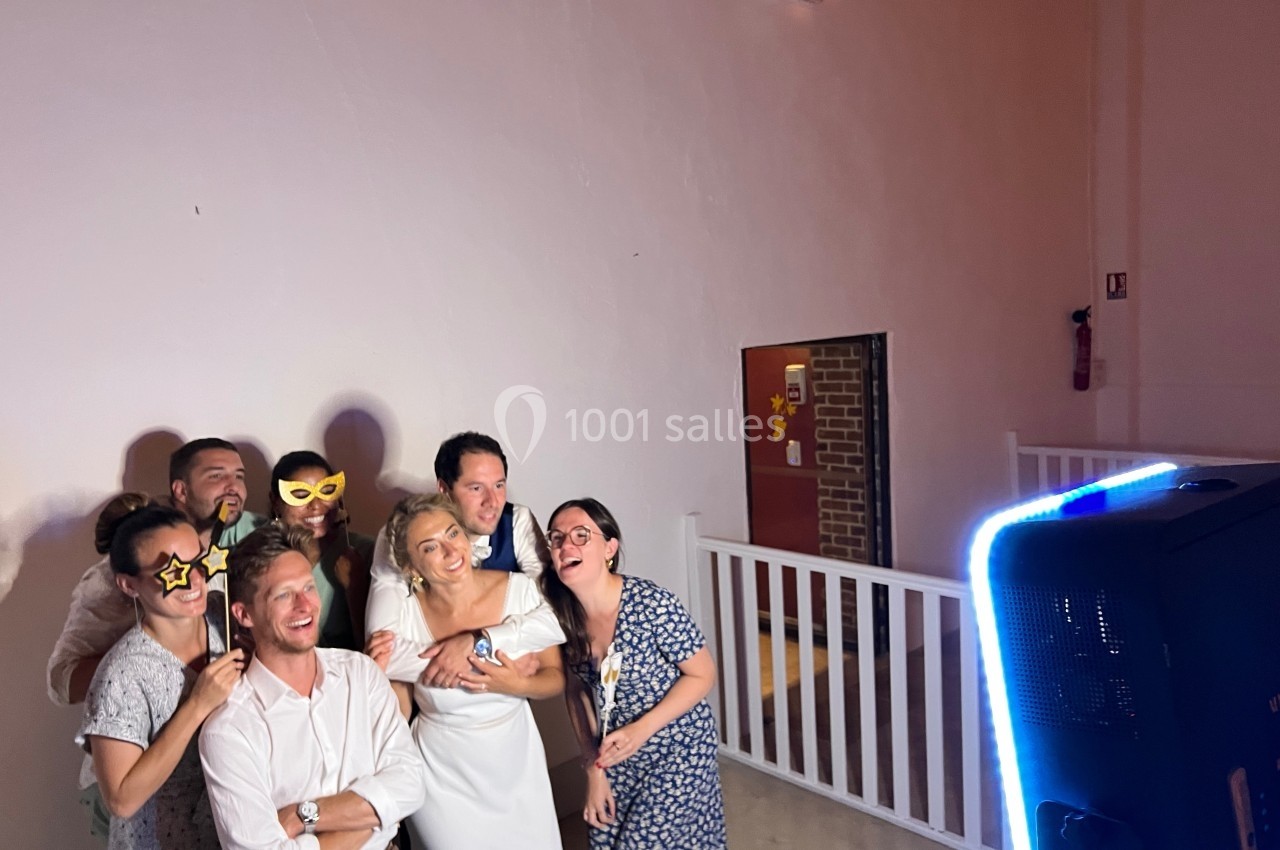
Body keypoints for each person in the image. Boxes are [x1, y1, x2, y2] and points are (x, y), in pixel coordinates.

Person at [200, 524, 425, 850]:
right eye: (283, 595)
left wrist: (301, 816)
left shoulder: (359, 674)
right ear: (244, 614)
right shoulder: (230, 730)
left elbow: (410, 785)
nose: (305, 606)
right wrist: (376, 818)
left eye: (308, 587)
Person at [365, 493, 565, 850]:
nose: (450, 551)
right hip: (441, 775)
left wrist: (516, 682)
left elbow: (554, 677)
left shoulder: (520, 592)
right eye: (430, 547)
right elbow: (401, 707)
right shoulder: (403, 622)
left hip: (517, 763)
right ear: (411, 567)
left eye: (453, 534)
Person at [542, 498, 726, 849]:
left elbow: (702, 675)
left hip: (679, 747)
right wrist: (593, 770)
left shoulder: (651, 603)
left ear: (609, 547)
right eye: (558, 538)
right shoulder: (562, 618)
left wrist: (641, 730)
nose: (567, 545)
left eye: (581, 535)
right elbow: (576, 692)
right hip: (614, 753)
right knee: (603, 837)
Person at [76, 504, 246, 849]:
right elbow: (122, 799)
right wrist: (197, 704)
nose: (195, 581)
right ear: (129, 584)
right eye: (173, 571)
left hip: (234, 833)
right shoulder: (122, 674)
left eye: (199, 563)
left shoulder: (226, 619)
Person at [49, 438, 266, 708]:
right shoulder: (120, 571)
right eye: (217, 476)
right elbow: (62, 681)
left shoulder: (237, 548)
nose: (233, 487)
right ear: (181, 490)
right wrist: (151, 662)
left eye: (239, 476)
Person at [365, 432, 557, 691]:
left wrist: (482, 641)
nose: (493, 502)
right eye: (476, 488)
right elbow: (384, 652)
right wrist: (496, 663)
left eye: (499, 485)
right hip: (432, 696)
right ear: (444, 489)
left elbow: (556, 616)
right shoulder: (400, 535)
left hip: (509, 697)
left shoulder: (518, 521)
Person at [269, 450, 372, 649]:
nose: (316, 506)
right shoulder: (263, 555)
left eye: (326, 491)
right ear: (276, 502)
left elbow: (377, 650)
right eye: (300, 495)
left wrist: (355, 587)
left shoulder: (366, 551)